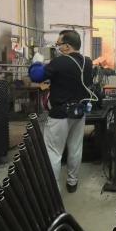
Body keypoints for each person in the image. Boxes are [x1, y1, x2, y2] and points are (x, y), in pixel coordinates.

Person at [29, 30, 94, 193]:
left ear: (67, 46)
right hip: (79, 113)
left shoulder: (60, 62)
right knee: (75, 148)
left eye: (59, 44)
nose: (57, 47)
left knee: (53, 152)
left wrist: (36, 62)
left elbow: (36, 76)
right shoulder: (87, 62)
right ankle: (72, 182)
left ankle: (53, 191)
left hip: (60, 115)